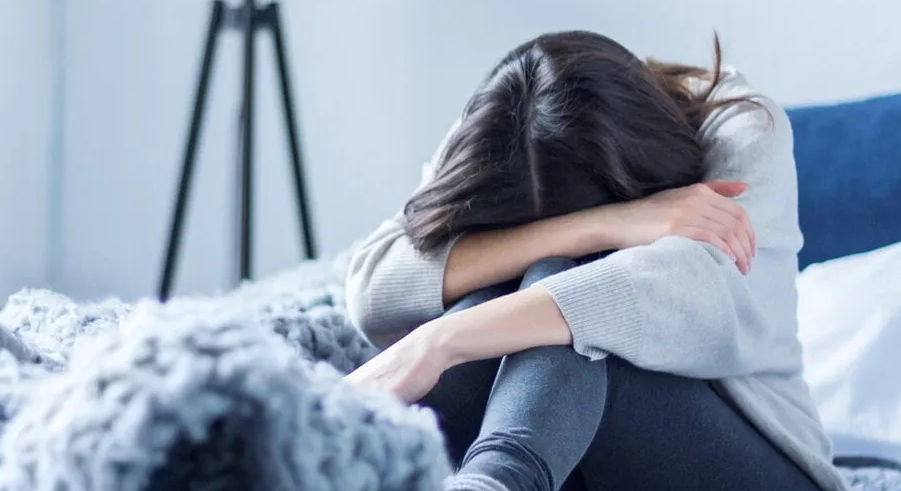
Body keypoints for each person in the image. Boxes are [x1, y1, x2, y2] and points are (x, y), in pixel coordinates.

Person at [342, 31, 848, 491]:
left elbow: (690, 295)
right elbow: (374, 286)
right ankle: (323, 459)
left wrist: (441, 340)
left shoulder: (741, 126)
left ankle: (492, 481)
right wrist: (606, 225)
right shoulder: (499, 136)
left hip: (763, 467)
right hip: (572, 460)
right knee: (505, 294)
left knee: (567, 298)